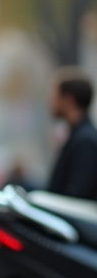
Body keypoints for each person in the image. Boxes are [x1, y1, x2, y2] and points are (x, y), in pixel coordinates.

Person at [46, 68, 97, 201]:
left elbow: (76, 199)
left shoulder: (85, 141)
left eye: (55, 95)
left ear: (68, 100)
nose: (50, 101)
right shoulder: (79, 136)